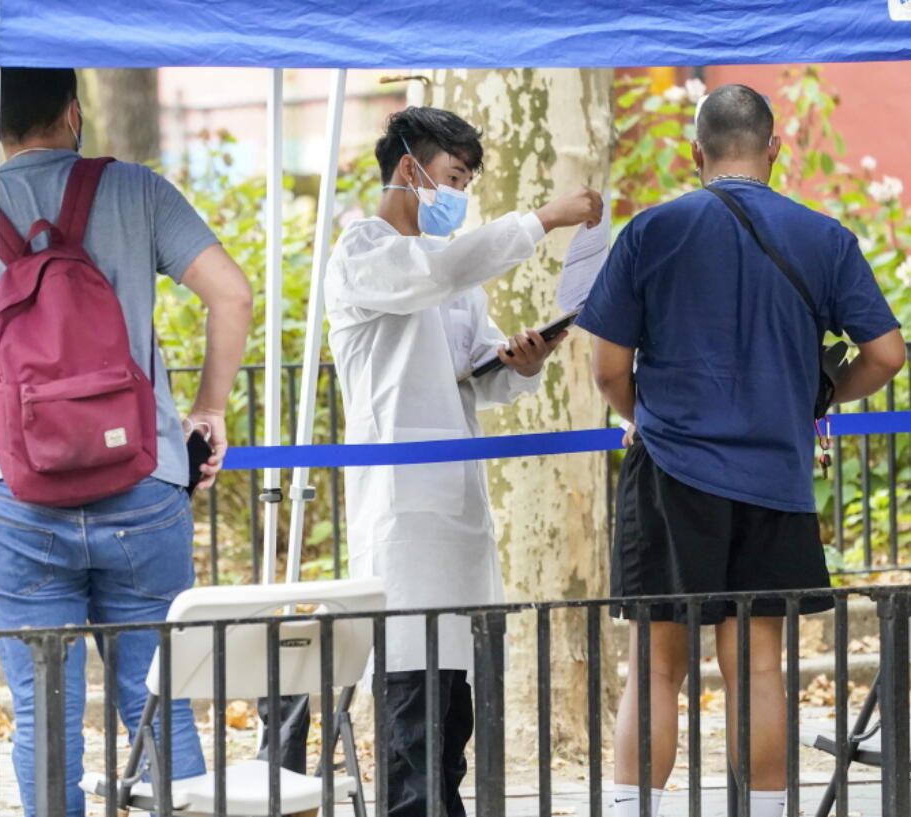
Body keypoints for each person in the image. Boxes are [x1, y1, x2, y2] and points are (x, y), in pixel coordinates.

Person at [0, 68, 252, 815]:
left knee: (43, 712)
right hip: (144, 482)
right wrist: (208, 407)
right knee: (157, 698)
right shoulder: (137, 190)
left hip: (21, 503)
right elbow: (233, 291)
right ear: (73, 113)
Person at [578, 84, 905, 817]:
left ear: (696, 153)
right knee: (758, 664)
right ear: (775, 150)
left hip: (670, 476)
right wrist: (817, 398)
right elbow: (885, 353)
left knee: (656, 667)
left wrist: (647, 415)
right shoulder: (825, 238)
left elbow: (606, 367)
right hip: (775, 478)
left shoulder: (651, 231)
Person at [324, 106, 602, 817]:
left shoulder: (450, 281)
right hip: (402, 517)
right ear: (409, 169)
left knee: (451, 730)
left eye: (469, 181)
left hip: (458, 519)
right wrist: (545, 218)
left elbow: (477, 377)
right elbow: (437, 272)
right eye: (453, 176)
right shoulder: (366, 254)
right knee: (411, 728)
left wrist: (522, 362)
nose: (460, 193)